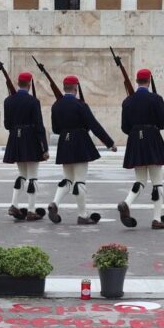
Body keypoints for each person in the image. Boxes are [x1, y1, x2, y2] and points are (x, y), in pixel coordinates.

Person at [117, 68, 164, 230]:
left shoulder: (127, 101)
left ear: (137, 81)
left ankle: (127, 202)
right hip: (152, 138)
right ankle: (156, 218)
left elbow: (125, 128)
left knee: (140, 180)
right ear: (149, 81)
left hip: (135, 140)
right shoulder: (155, 99)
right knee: (157, 183)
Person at [47, 75, 116, 225]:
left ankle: (55, 203)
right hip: (79, 141)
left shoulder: (56, 105)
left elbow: (55, 129)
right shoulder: (80, 105)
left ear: (64, 88)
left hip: (64, 142)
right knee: (80, 181)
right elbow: (94, 125)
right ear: (76, 88)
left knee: (67, 179)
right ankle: (83, 215)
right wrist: (109, 143)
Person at [3, 72, 49, 221]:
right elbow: (39, 125)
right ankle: (31, 210)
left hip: (15, 138)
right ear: (29, 84)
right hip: (30, 139)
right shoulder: (33, 101)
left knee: (22, 175)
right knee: (33, 177)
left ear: (18, 83)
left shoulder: (8, 100)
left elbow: (7, 125)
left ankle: (14, 205)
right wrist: (45, 147)